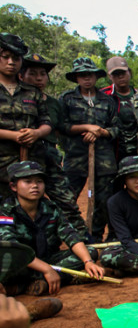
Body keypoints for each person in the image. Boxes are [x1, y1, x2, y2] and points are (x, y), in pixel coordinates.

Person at [0, 161, 103, 298]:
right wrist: (47, 269)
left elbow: (70, 235)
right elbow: (15, 249)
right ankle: (58, 277)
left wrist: (88, 262)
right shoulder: (5, 212)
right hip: (21, 264)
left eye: (39, 181)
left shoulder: (50, 207)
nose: (35, 186)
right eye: (28, 181)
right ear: (13, 186)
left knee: (90, 252)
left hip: (47, 260)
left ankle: (33, 284)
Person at [18, 53, 89, 239]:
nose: (39, 78)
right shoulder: (15, 100)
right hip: (22, 158)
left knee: (67, 201)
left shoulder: (53, 103)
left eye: (42, 74)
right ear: (21, 75)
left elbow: (61, 128)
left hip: (49, 156)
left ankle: (81, 240)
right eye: (33, 74)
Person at [60, 57, 119, 241]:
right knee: (67, 197)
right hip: (76, 156)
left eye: (90, 75)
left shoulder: (107, 101)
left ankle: (96, 235)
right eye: (82, 75)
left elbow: (116, 129)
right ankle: (73, 236)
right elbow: (61, 126)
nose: (87, 79)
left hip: (103, 158)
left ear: (96, 77)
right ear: (76, 78)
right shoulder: (67, 99)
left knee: (103, 200)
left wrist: (100, 132)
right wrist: (86, 128)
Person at [0, 34, 52, 200]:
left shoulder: (32, 92)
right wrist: (14, 136)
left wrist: (36, 133)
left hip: (31, 162)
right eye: (5, 57)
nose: (11, 62)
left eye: (16, 58)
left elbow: (46, 122)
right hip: (2, 161)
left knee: (29, 210)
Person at [101, 56, 138, 161]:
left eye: (123, 73)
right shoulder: (103, 96)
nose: (121, 77)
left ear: (129, 73)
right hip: (114, 150)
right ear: (110, 76)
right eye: (116, 74)